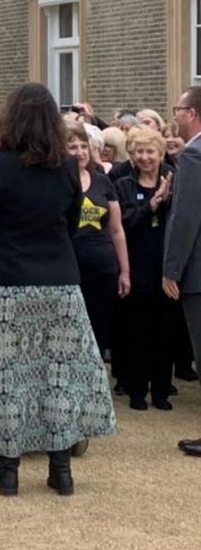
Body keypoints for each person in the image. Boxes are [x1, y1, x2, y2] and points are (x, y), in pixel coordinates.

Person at [0, 83, 115, 497]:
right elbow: (70, 226)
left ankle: (9, 470)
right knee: (59, 376)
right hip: (60, 284)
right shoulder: (70, 169)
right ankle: (61, 469)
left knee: (7, 376)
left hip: (7, 282)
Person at [116, 128, 174, 410]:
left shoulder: (174, 181)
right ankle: (137, 392)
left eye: (150, 151)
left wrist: (166, 199)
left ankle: (161, 391)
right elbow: (124, 222)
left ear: (160, 153)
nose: (145, 157)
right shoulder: (125, 185)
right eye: (139, 152)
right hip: (137, 266)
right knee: (137, 332)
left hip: (166, 268)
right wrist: (151, 205)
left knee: (165, 332)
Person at [66, 124, 130, 355]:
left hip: (102, 268)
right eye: (72, 147)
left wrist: (124, 272)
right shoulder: (56, 182)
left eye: (84, 146)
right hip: (68, 270)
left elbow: (116, 230)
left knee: (98, 333)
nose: (80, 152)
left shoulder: (103, 182)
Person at [163, 87, 201, 455]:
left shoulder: (193, 155)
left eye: (178, 109)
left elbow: (186, 217)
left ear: (192, 113)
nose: (175, 116)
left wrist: (171, 269)